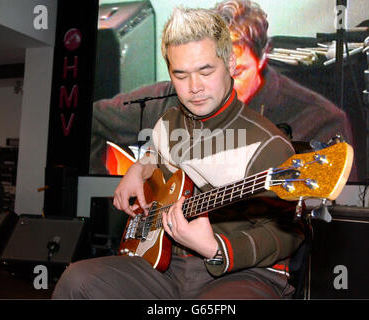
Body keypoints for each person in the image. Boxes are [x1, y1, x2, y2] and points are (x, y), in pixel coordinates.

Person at [52, 6, 304, 299]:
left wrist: (216, 248)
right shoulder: (169, 122)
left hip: (243, 274)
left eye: (205, 71)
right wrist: (140, 167)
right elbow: (161, 158)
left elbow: (290, 233)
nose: (194, 87)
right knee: (77, 280)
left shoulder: (269, 144)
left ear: (231, 63)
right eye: (180, 75)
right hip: (166, 266)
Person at [90, 0, 356, 180]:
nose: (216, 86)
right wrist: (111, 187)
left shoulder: (319, 119)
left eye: (237, 72)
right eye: (211, 70)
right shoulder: (169, 97)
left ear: (264, 57)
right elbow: (88, 119)